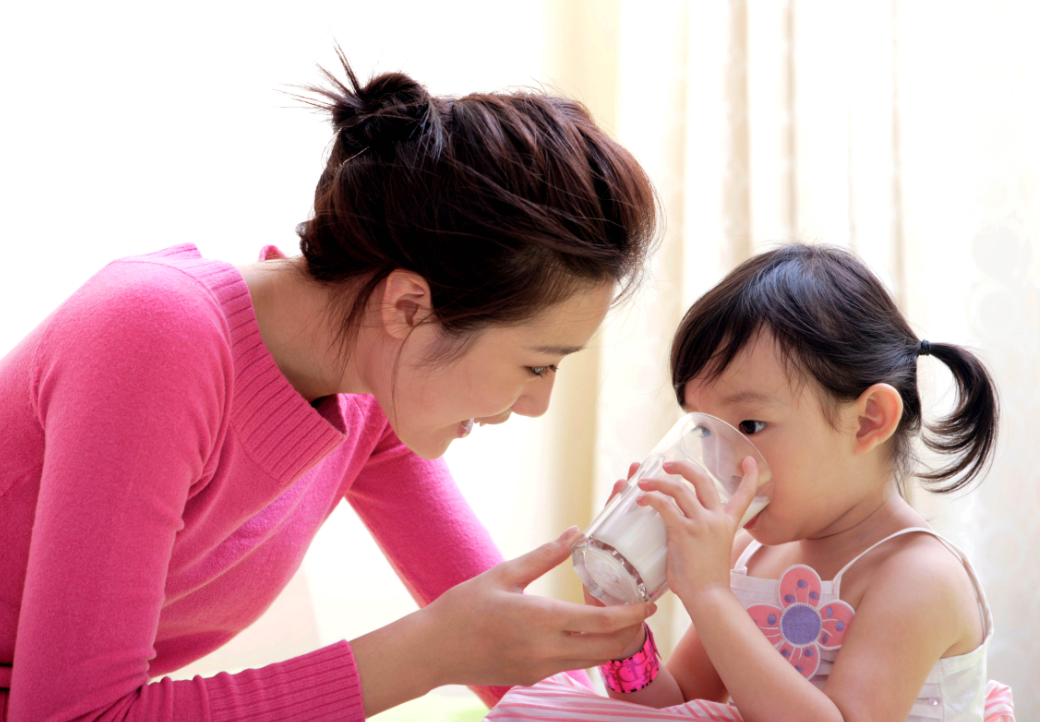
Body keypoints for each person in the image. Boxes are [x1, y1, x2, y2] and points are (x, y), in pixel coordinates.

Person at [0, 52, 661, 722]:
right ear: (408, 307)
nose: (536, 404)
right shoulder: (154, 334)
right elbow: (69, 717)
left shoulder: (371, 398)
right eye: (537, 364)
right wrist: (427, 656)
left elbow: (521, 679)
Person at [491, 244, 1014, 722]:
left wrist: (710, 593)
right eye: (704, 430)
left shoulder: (917, 575)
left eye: (749, 426)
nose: (722, 460)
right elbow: (676, 703)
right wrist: (624, 639)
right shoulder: (749, 556)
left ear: (869, 420)